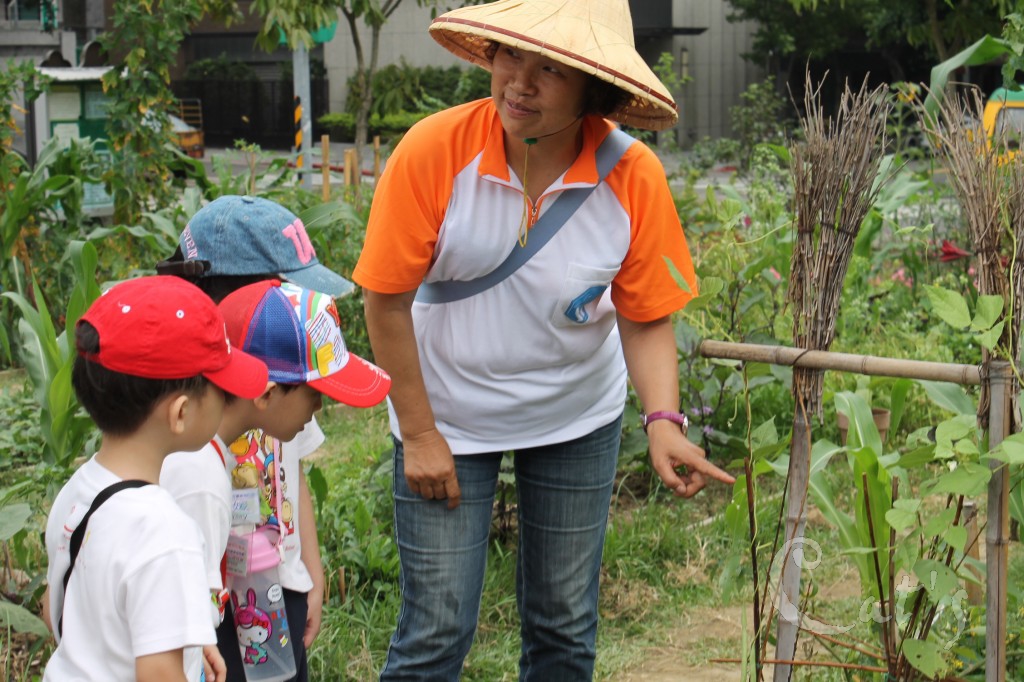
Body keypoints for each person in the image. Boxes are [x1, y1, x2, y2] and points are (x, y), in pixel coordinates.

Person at [352, 0, 737, 679]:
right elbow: (385, 300)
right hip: (447, 416)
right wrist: (419, 433)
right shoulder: (434, 152)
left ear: (596, 90)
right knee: (437, 629)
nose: (520, 83)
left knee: (563, 624)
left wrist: (663, 420)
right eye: (510, 55)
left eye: (552, 69)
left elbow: (644, 313)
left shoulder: (632, 175)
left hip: (574, 418)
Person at [155, 195, 361, 682]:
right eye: (288, 290)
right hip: (210, 598)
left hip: (277, 583)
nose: (299, 306)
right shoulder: (177, 404)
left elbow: (296, 472)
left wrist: (310, 572)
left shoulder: (291, 376)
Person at [43, 275, 269, 681]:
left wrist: (179, 638)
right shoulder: (166, 531)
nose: (228, 399)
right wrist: (170, 657)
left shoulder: (77, 491)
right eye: (220, 389)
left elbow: (57, 609)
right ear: (180, 413)